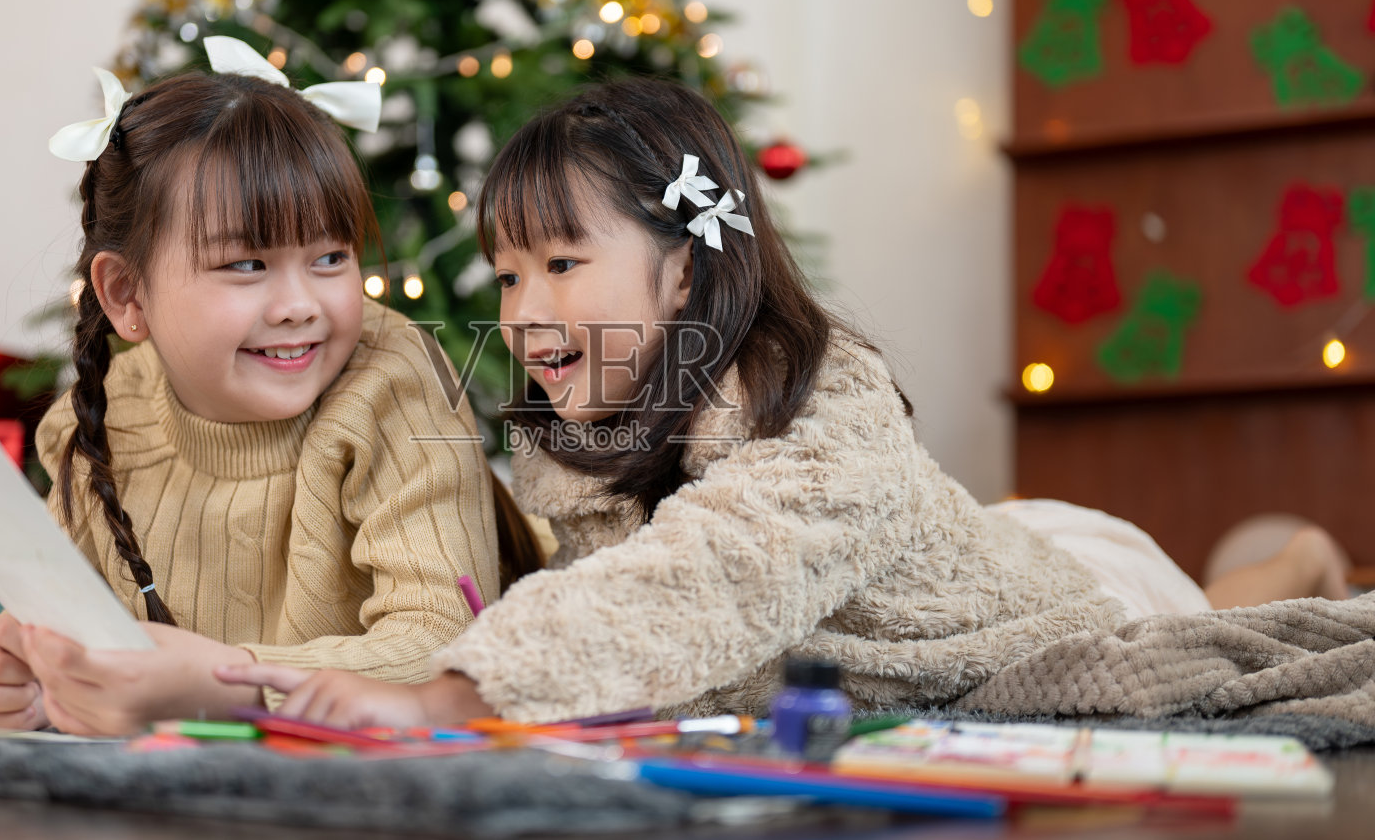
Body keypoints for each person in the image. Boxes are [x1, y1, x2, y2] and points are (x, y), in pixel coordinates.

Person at [216, 77, 1353, 729]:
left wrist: (461, 691)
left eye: (561, 265)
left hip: (1069, 589)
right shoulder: (578, 443)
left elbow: (715, 573)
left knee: (1202, 603)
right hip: (948, 558)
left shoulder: (819, 405)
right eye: (507, 276)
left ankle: (1297, 555)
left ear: (684, 267)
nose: (521, 310)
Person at [0, 38, 539, 735]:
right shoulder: (91, 429)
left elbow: (447, 650)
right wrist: (33, 684)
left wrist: (222, 682)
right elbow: (91, 656)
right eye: (246, 264)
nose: (299, 303)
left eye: (330, 256)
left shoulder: (391, 383)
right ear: (127, 294)